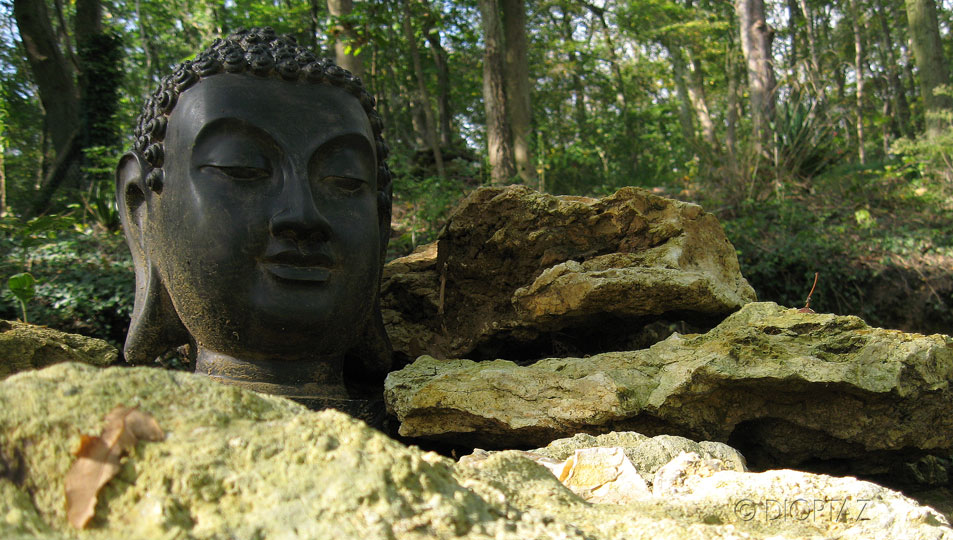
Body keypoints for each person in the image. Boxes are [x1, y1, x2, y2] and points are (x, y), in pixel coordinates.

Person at [116, 27, 393, 403]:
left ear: (380, 217)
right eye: (241, 167)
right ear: (141, 215)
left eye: (345, 180)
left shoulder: (433, 428)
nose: (302, 215)